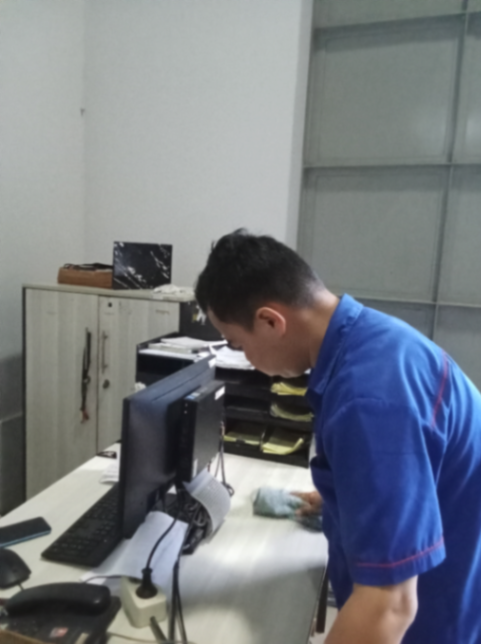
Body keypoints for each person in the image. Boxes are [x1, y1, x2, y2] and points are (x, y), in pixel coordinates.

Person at [195, 229, 481, 644]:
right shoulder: (369, 340)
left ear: (271, 321)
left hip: (434, 618)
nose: (248, 361)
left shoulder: (369, 397)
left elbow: (389, 607)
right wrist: (351, 496)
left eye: (238, 345)